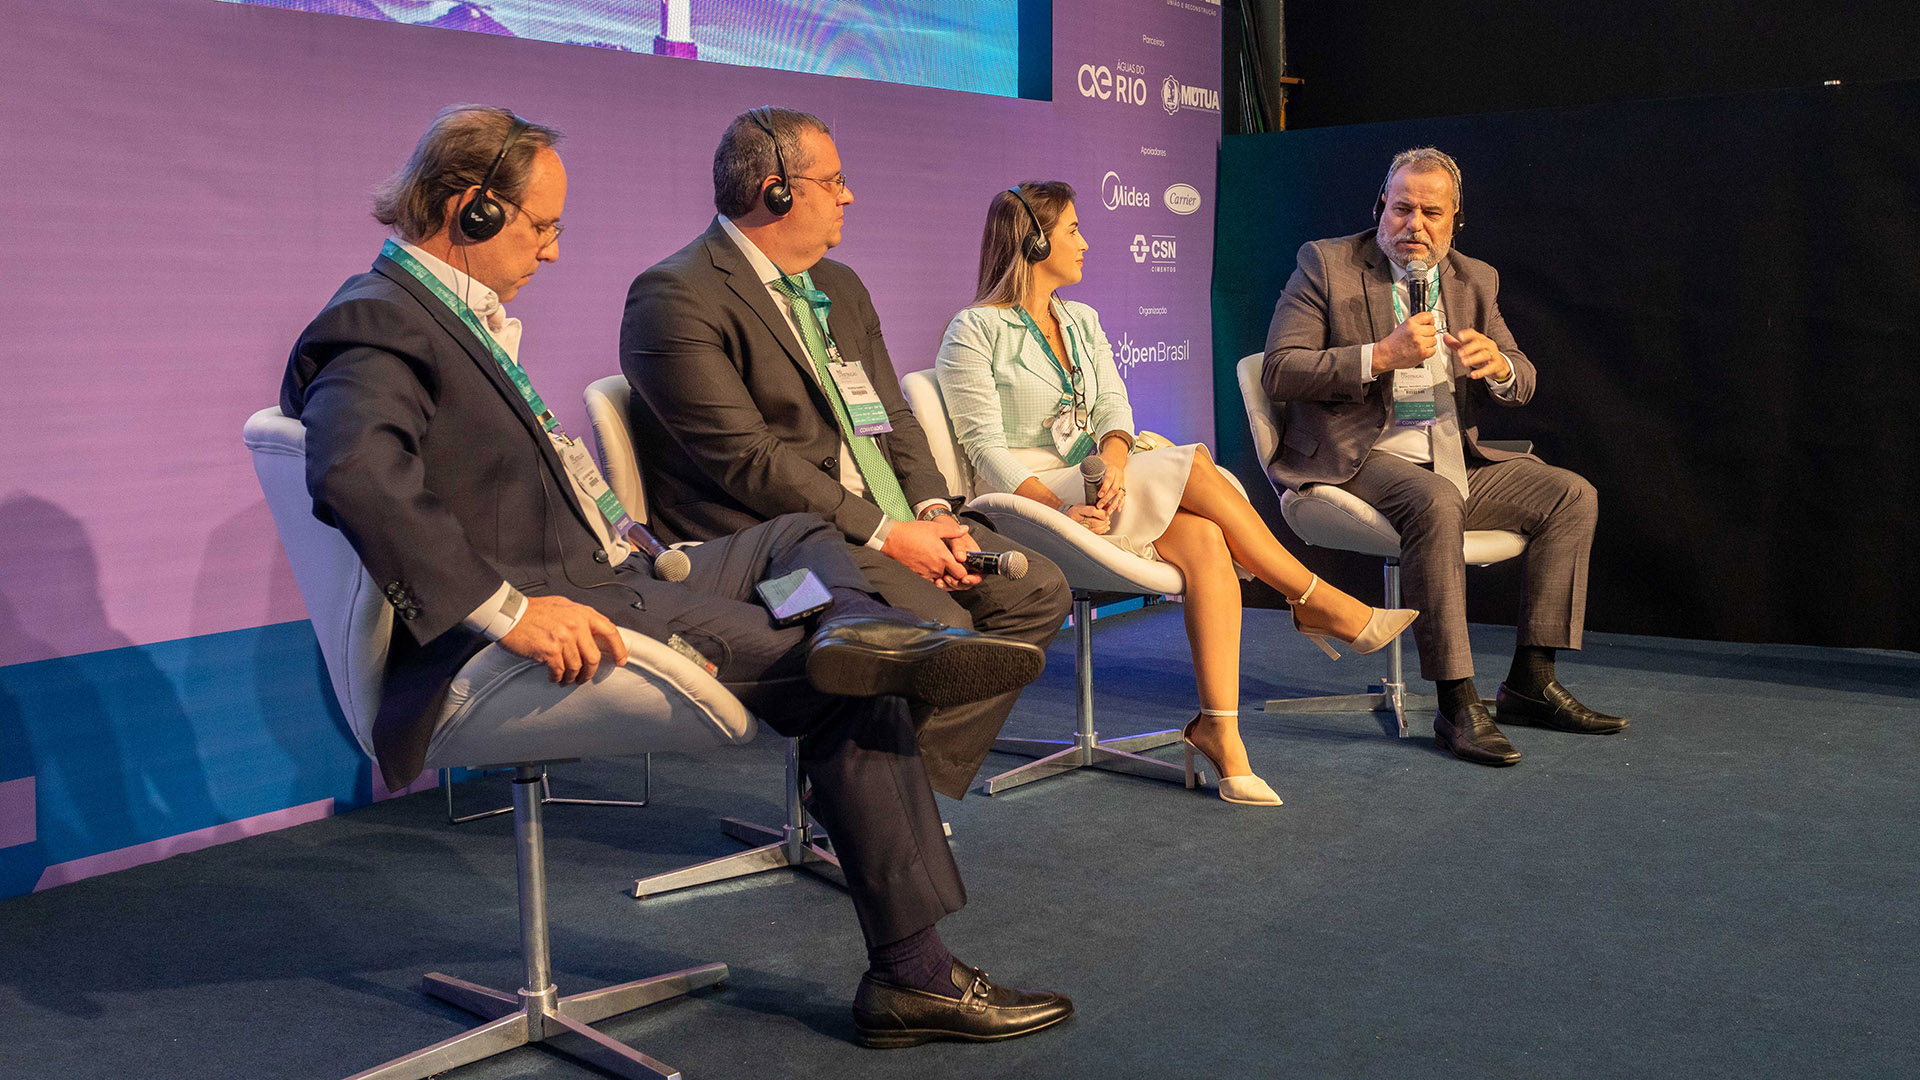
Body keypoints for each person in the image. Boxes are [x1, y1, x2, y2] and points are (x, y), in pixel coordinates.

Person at [281, 105, 1073, 1047]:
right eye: (543, 228)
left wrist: (633, 536)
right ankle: (913, 975)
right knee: (849, 683)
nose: (553, 253)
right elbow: (354, 471)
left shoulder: (448, 320)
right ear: (472, 209)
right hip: (554, 617)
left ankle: (846, 621)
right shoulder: (379, 322)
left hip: (626, 570)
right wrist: (506, 612)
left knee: (795, 549)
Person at [620, 108, 1073, 801]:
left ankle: (886, 797)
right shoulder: (675, 295)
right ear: (777, 191)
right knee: (940, 629)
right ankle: (872, 807)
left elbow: (891, 416)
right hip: (764, 556)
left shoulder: (842, 286)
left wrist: (930, 512)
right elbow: (749, 460)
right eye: (833, 181)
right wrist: (893, 537)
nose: (849, 196)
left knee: (1039, 589)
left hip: (884, 525)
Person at [935, 182, 1417, 806]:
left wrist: (1110, 459)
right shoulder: (973, 329)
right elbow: (984, 448)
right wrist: (1056, 505)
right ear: (1032, 242)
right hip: (1028, 495)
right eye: (1073, 229)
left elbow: (1112, 404)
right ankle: (1316, 599)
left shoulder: (1081, 320)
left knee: (1208, 539)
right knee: (1190, 465)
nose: (1086, 242)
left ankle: (1220, 731)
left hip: (1103, 476)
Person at [1262, 146, 1628, 767]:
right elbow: (1280, 369)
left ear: (1454, 221)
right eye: (1402, 208)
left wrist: (1500, 366)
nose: (1415, 225)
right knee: (1434, 501)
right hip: (1359, 456)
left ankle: (1531, 681)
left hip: (1452, 457)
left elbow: (1525, 376)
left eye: (1432, 213)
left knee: (1572, 494)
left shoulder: (1472, 279)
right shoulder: (1326, 265)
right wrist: (1379, 355)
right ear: (1381, 207)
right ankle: (1457, 702)